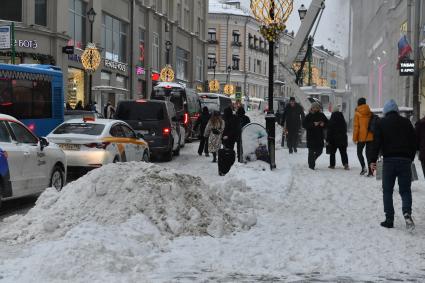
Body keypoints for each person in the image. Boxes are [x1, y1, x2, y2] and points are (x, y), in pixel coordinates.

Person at [370, 99, 416, 230]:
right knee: (405, 190)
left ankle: (389, 219)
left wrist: (372, 160)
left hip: (389, 161)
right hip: (405, 161)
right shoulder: (406, 122)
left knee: (387, 191)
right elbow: (414, 141)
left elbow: (376, 143)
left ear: (385, 111)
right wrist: (410, 157)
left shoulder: (381, 123)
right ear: (397, 110)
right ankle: (407, 212)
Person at [303, 102, 328, 170]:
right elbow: (304, 125)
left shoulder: (321, 115)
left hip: (319, 136)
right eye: (314, 107)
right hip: (311, 136)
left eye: (317, 108)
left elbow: (328, 123)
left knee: (320, 151)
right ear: (311, 108)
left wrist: (323, 124)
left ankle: (312, 160)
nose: (315, 109)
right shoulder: (309, 115)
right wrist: (313, 124)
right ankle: (311, 166)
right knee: (311, 151)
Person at [353, 97, 374, 176]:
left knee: (359, 152)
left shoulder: (357, 113)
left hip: (361, 137)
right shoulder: (370, 112)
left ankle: (363, 167)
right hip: (370, 136)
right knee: (369, 154)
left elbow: (356, 127)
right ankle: (371, 171)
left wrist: (355, 138)